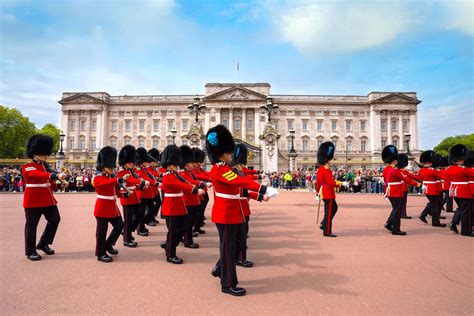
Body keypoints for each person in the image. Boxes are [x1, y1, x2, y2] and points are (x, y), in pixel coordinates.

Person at [206, 125, 277, 296]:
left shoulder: (226, 168)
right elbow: (241, 183)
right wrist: (263, 189)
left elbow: (241, 190)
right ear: (221, 152)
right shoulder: (219, 170)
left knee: (237, 244)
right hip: (226, 214)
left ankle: (219, 269)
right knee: (229, 249)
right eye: (228, 152)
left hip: (234, 212)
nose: (231, 155)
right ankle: (228, 284)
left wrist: (260, 195)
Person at [22, 134, 67, 261]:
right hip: (33, 200)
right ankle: (30, 251)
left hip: (48, 199)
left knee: (55, 219)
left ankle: (43, 243)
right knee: (31, 226)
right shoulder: (28, 166)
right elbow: (35, 174)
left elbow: (48, 179)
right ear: (35, 153)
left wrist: (60, 182)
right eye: (43, 154)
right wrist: (52, 176)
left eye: (46, 154)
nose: (46, 156)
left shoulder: (44, 167)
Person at [159, 145, 205, 264]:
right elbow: (181, 185)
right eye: (173, 165)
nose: (176, 166)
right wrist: (195, 190)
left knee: (183, 228)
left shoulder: (175, 174)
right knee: (174, 231)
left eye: (176, 164)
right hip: (171, 207)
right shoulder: (168, 177)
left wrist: (196, 185)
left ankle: (168, 245)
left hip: (179, 205)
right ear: (168, 165)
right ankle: (170, 255)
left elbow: (186, 183)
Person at [231, 143, 268, 268]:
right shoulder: (233, 173)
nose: (243, 167)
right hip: (236, 208)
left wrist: (261, 196)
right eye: (241, 164)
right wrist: (262, 192)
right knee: (239, 237)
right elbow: (243, 189)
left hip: (243, 207)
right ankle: (238, 259)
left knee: (242, 235)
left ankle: (240, 257)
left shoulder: (239, 172)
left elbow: (246, 185)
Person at [92, 146, 127, 263]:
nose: (112, 168)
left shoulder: (110, 177)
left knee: (119, 226)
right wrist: (118, 179)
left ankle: (108, 245)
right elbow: (106, 184)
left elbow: (115, 192)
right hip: (102, 208)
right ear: (102, 166)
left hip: (112, 207)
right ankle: (100, 253)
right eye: (109, 166)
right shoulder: (97, 178)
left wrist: (125, 194)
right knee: (101, 233)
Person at [382, 145, 420, 236]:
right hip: (396, 192)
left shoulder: (386, 169)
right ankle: (396, 229)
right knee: (397, 210)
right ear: (394, 160)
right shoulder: (395, 170)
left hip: (389, 191)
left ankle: (388, 223)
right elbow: (405, 179)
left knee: (395, 209)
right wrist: (417, 184)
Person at [117, 145, 149, 247]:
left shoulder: (131, 171)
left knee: (139, 215)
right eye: (130, 162)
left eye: (132, 162)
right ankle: (127, 239)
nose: (132, 163)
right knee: (128, 219)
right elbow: (131, 181)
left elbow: (135, 184)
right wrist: (142, 182)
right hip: (127, 198)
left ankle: (127, 231)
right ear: (125, 162)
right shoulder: (121, 172)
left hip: (134, 197)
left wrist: (141, 187)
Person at [444, 145, 473, 236]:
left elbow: (446, 178)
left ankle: (454, 223)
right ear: (461, 159)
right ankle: (466, 231)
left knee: (461, 208)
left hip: (454, 191)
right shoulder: (463, 169)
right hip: (464, 192)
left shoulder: (449, 169)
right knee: (466, 212)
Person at [316, 142, 342, 237]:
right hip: (328, 193)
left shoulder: (320, 169)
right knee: (330, 210)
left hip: (323, 193)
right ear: (327, 160)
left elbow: (317, 183)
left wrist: (317, 193)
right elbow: (331, 183)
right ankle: (327, 231)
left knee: (333, 208)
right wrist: (340, 184)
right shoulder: (326, 170)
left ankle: (324, 223)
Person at [417, 150, 446, 227]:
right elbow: (443, 176)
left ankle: (424, 215)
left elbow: (420, 179)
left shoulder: (421, 171)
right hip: (433, 189)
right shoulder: (432, 171)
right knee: (435, 206)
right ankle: (435, 222)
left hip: (426, 189)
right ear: (431, 162)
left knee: (433, 204)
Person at [135, 147, 159, 232]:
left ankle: (142, 223)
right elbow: (145, 179)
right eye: (145, 161)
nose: (147, 163)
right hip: (142, 193)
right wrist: (156, 183)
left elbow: (150, 177)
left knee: (151, 209)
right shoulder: (138, 170)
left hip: (148, 193)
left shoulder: (145, 169)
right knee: (141, 212)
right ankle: (140, 228)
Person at [397, 153, 420, 219]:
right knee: (403, 202)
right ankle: (403, 214)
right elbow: (413, 176)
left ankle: (399, 214)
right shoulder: (404, 171)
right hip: (403, 188)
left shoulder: (396, 170)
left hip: (397, 188)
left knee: (399, 203)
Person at [148, 148, 162, 225]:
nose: (156, 163)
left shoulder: (154, 168)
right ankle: (150, 219)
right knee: (150, 206)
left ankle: (152, 216)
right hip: (150, 189)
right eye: (155, 161)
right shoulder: (148, 168)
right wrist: (160, 175)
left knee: (158, 202)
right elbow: (152, 174)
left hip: (155, 189)